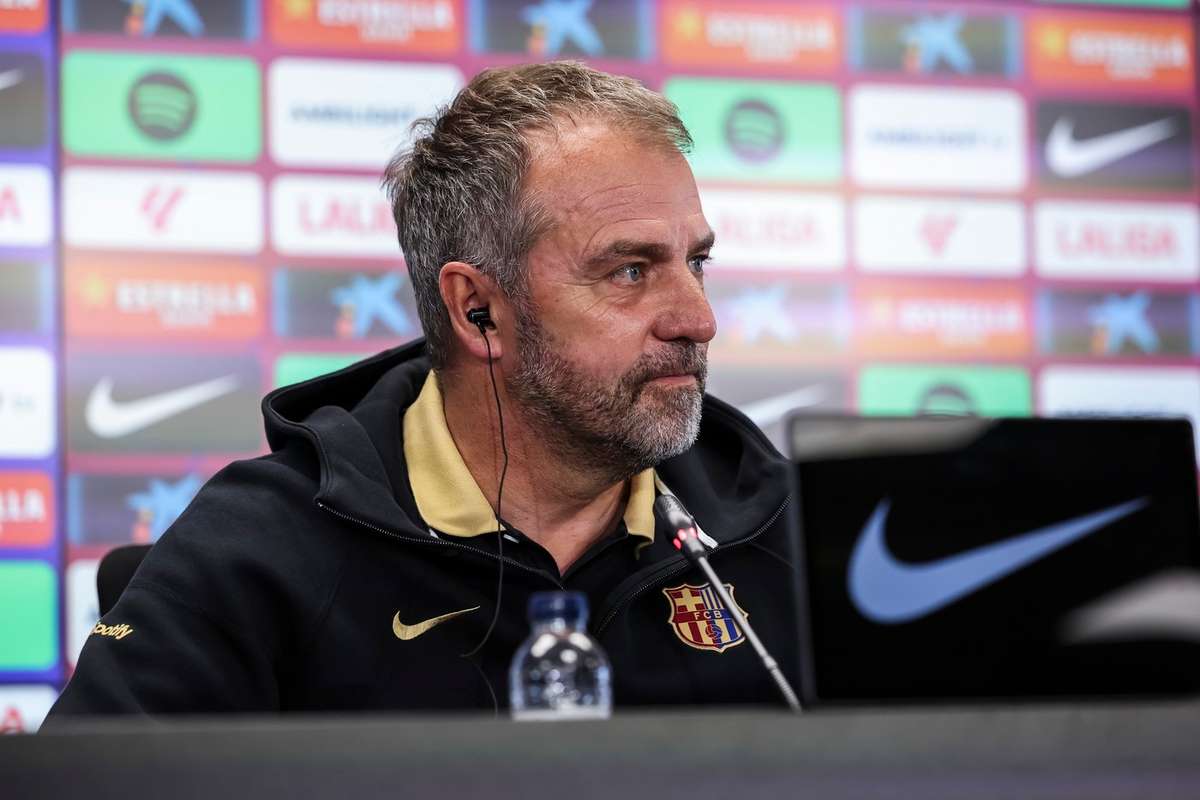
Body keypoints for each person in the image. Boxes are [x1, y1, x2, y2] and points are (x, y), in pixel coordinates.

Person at [46, 62, 797, 718]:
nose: (698, 320)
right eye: (630, 271)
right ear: (478, 310)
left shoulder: (781, 533)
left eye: (695, 263)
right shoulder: (262, 546)